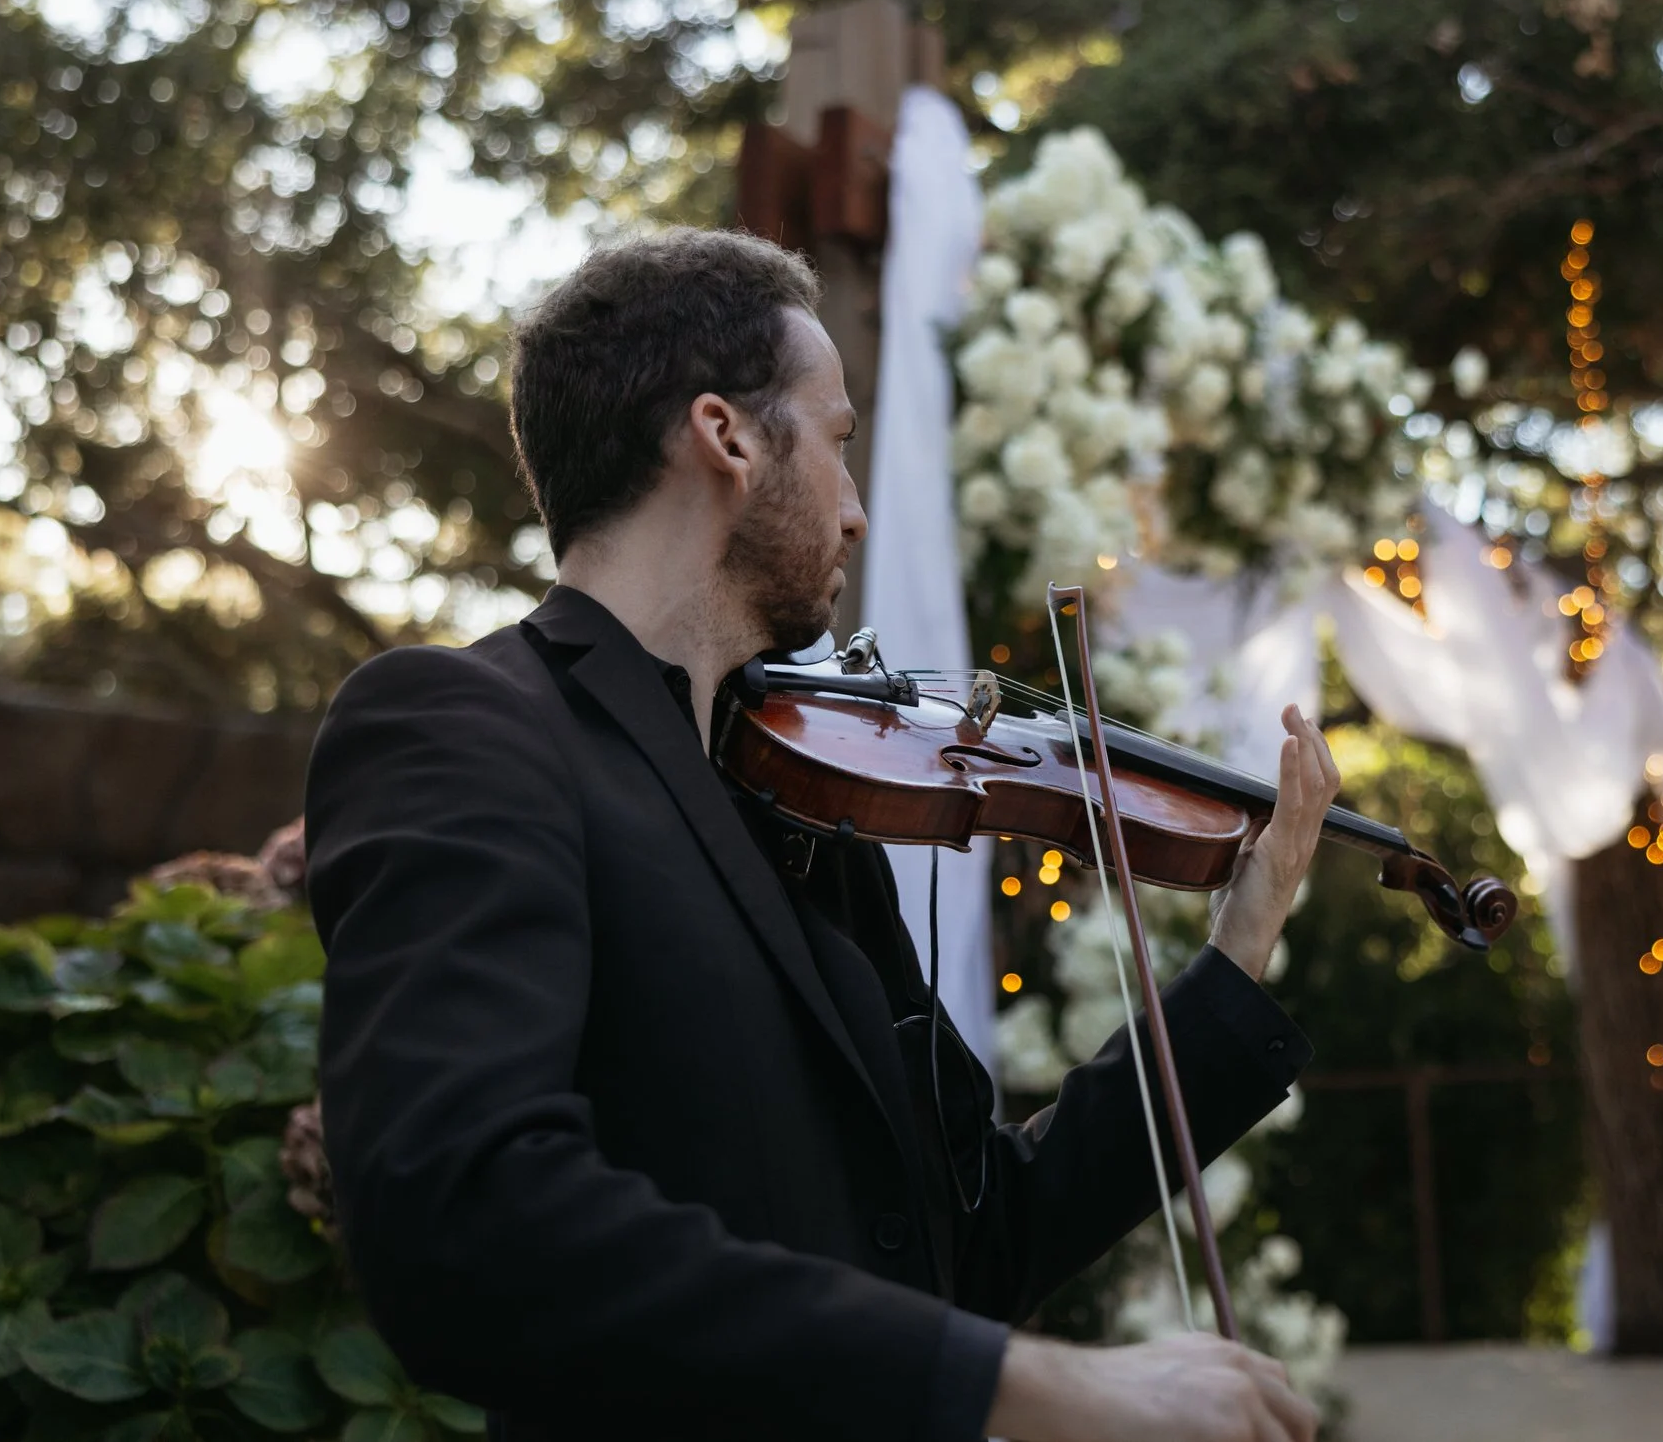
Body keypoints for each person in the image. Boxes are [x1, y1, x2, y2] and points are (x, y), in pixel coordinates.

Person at [306, 230, 1336, 1442]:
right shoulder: (463, 722)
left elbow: (972, 1236)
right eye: (839, 439)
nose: (853, 511)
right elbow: (467, 1221)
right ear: (725, 435)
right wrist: (1040, 1385)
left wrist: (1237, 951)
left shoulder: (800, 797)